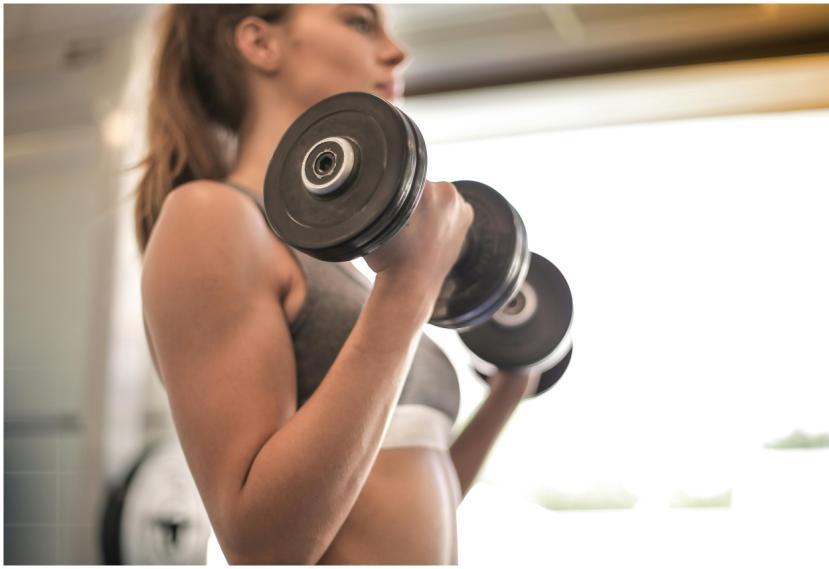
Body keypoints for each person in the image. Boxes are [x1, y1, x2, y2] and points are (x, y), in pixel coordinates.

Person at [137, 4, 538, 564]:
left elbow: (410, 490)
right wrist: (410, 286)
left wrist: (509, 390)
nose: (396, 51)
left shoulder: (349, 265)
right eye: (359, 21)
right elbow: (263, 548)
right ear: (260, 43)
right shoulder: (213, 216)